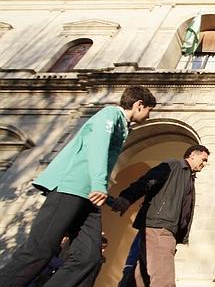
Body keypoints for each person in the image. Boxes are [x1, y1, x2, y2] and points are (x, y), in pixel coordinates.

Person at [0, 86, 157, 287]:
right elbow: (97, 148)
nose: (149, 115)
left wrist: (109, 199)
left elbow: (100, 165)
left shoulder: (124, 126)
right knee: (39, 251)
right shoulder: (110, 114)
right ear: (139, 105)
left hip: (87, 198)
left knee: (88, 257)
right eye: (149, 110)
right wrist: (100, 185)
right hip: (69, 188)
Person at [110, 145, 210, 287]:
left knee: (140, 278)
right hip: (160, 228)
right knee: (164, 280)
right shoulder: (174, 166)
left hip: (165, 231)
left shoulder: (188, 178)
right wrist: (127, 197)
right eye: (204, 159)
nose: (205, 164)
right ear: (192, 155)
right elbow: (148, 180)